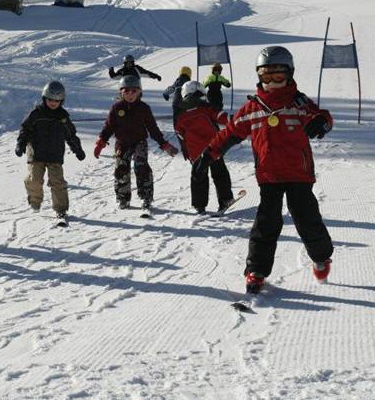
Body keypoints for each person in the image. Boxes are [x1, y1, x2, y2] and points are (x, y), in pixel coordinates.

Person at [193, 46, 334, 295]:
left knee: (306, 218)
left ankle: (321, 257)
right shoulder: (253, 107)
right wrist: (209, 153)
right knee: (266, 223)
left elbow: (322, 115)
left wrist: (321, 122)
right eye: (266, 77)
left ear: (289, 74)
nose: (272, 83)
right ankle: (256, 270)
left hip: (298, 174)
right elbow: (230, 133)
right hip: (269, 176)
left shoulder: (299, 103)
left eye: (277, 77)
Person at [94, 75, 178, 210]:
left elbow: (152, 128)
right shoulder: (116, 108)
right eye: (126, 91)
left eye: (134, 91)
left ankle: (146, 197)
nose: (130, 94)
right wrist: (101, 142)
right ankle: (123, 198)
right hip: (122, 143)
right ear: (120, 92)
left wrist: (163, 143)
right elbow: (109, 127)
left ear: (140, 91)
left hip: (139, 142)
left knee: (141, 166)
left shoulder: (144, 108)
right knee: (121, 168)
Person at [15, 80, 86, 221]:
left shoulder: (63, 118)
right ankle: (35, 200)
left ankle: (61, 210)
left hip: (55, 155)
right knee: (34, 180)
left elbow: (71, 135)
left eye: (57, 101)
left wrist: (77, 149)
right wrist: (21, 144)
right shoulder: (36, 114)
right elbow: (25, 130)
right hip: (36, 154)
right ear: (44, 98)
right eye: (50, 100)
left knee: (58, 182)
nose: (53, 103)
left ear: (61, 101)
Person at [174, 81, 234, 215]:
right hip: (213, 148)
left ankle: (199, 205)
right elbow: (220, 117)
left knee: (198, 176)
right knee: (220, 174)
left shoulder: (181, 115)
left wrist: (186, 150)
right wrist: (231, 119)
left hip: (195, 152)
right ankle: (226, 199)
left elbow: (180, 133)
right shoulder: (205, 108)